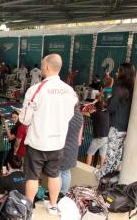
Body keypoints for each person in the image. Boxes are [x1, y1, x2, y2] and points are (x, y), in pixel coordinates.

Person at [19, 54, 78, 215]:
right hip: (58, 143)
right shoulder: (70, 91)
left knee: (32, 177)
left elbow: (24, 120)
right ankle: (53, 205)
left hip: (37, 142)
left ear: (45, 68)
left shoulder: (35, 89)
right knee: (54, 174)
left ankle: (28, 209)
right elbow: (70, 114)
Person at [95, 63, 135, 179]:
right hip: (125, 127)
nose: (117, 73)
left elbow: (112, 107)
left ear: (123, 73)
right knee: (117, 154)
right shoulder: (132, 88)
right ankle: (111, 175)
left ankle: (103, 175)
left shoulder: (119, 87)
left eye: (119, 71)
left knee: (111, 153)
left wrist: (107, 102)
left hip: (116, 125)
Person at [60, 103, 84, 194]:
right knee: (66, 172)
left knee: (57, 173)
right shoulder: (80, 116)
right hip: (73, 147)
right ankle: (63, 193)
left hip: (63, 147)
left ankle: (56, 193)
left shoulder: (65, 115)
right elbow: (79, 136)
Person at [82, 97, 109, 168]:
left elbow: (87, 114)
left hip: (99, 138)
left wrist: (80, 112)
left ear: (96, 107)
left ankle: (87, 169)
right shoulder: (106, 113)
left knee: (90, 153)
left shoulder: (97, 113)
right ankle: (101, 170)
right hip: (106, 137)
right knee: (103, 155)